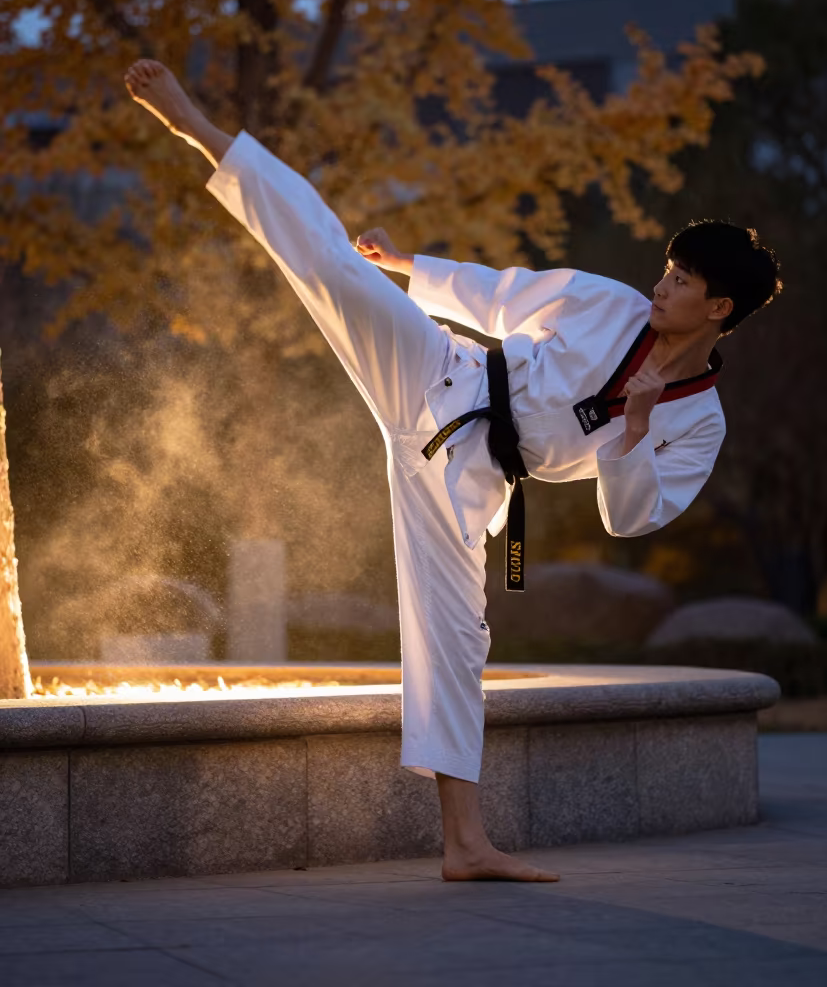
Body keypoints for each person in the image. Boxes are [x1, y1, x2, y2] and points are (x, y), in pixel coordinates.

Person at [124, 59, 782, 883]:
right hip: (446, 378)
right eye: (667, 270)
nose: (661, 286)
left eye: (681, 282)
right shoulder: (609, 302)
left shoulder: (699, 421)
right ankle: (203, 131)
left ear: (719, 309)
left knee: (457, 639)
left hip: (475, 478)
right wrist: (405, 267)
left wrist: (639, 424)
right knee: (335, 268)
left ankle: (465, 845)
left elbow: (631, 518)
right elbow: (504, 295)